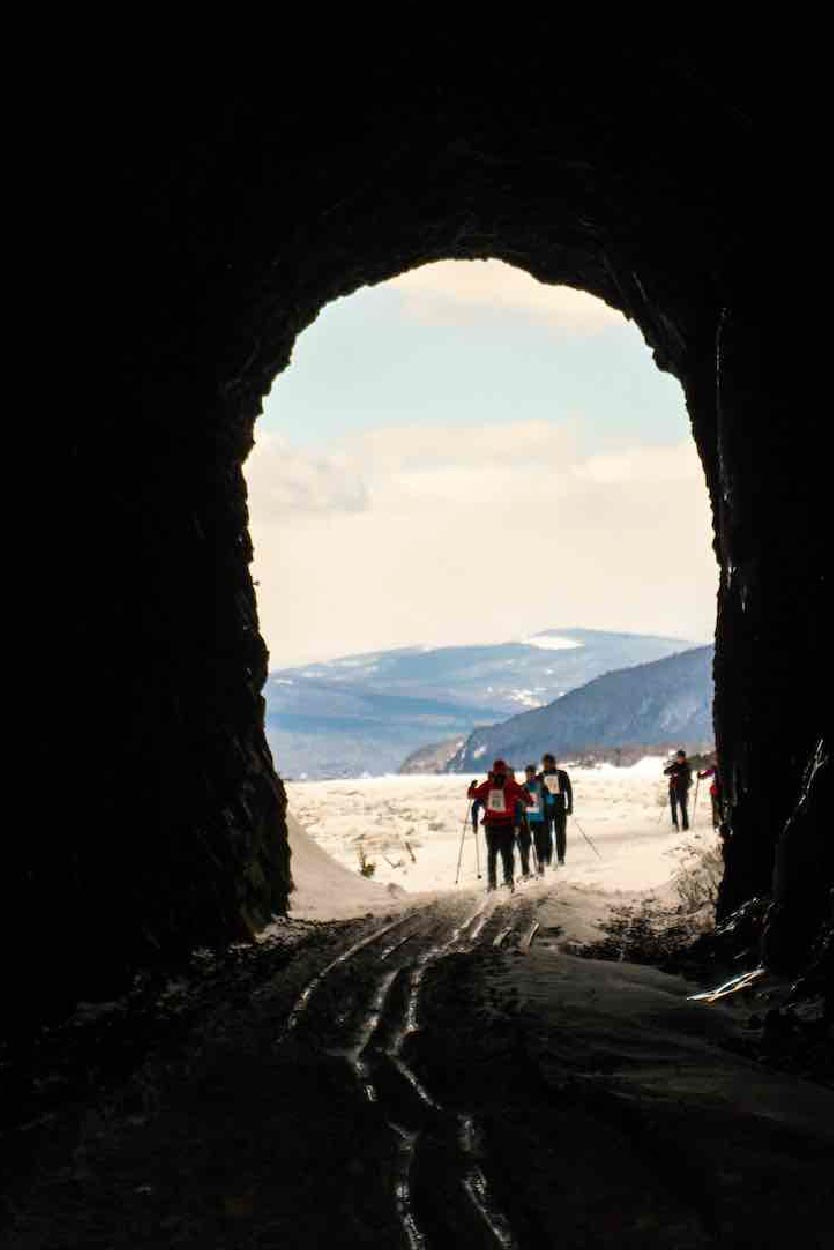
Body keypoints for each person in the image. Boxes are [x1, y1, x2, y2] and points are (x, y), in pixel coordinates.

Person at [468, 760, 532, 891]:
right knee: (507, 854)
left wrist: (472, 786)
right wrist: (524, 795)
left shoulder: (488, 784)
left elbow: (471, 795)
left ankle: (491, 884)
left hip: (491, 826)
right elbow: (529, 801)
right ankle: (509, 882)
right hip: (507, 825)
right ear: (505, 771)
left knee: (491, 854)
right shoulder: (511, 784)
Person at [540, 753, 573, 866]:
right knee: (546, 835)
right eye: (544, 764)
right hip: (546, 810)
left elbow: (569, 791)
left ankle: (560, 857)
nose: (546, 766)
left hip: (560, 809)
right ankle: (548, 858)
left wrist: (569, 806)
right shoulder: (541, 776)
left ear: (553, 763)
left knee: (560, 834)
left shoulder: (562, 775)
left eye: (548, 763)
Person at [523, 764, 547, 876]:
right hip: (527, 819)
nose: (529, 776)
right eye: (528, 774)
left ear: (534, 774)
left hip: (539, 819)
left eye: (531, 774)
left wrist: (550, 810)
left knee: (539, 843)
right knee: (526, 845)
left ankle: (541, 865)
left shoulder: (541, 786)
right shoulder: (523, 787)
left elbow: (549, 799)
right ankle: (526, 869)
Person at [664, 748, 692, 830]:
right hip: (673, 789)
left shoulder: (686, 766)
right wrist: (671, 772)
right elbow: (665, 772)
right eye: (678, 757)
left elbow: (686, 777)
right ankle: (675, 824)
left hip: (683, 789)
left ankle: (685, 825)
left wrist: (677, 774)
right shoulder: (675, 765)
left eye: (681, 757)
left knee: (683, 807)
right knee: (673, 807)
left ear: (684, 758)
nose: (679, 759)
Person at [696, 757, 722, 829]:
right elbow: (706, 774)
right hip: (714, 791)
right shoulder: (713, 769)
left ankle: (722, 821)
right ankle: (715, 824)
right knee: (715, 807)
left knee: (721, 807)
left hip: (722, 791)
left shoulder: (724, 768)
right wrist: (700, 776)